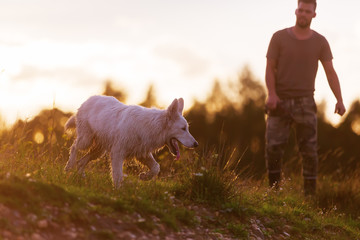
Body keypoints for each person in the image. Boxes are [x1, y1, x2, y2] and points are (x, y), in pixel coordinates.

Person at [264, 0, 346, 195]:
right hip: (279, 101)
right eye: (300, 10)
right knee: (273, 148)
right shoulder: (278, 37)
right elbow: (270, 68)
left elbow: (330, 72)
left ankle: (310, 198)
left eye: (307, 11)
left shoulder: (320, 42)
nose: (303, 14)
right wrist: (272, 94)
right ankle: (274, 194)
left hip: (306, 103)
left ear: (314, 15)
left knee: (309, 152)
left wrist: (340, 99)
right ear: (295, 11)